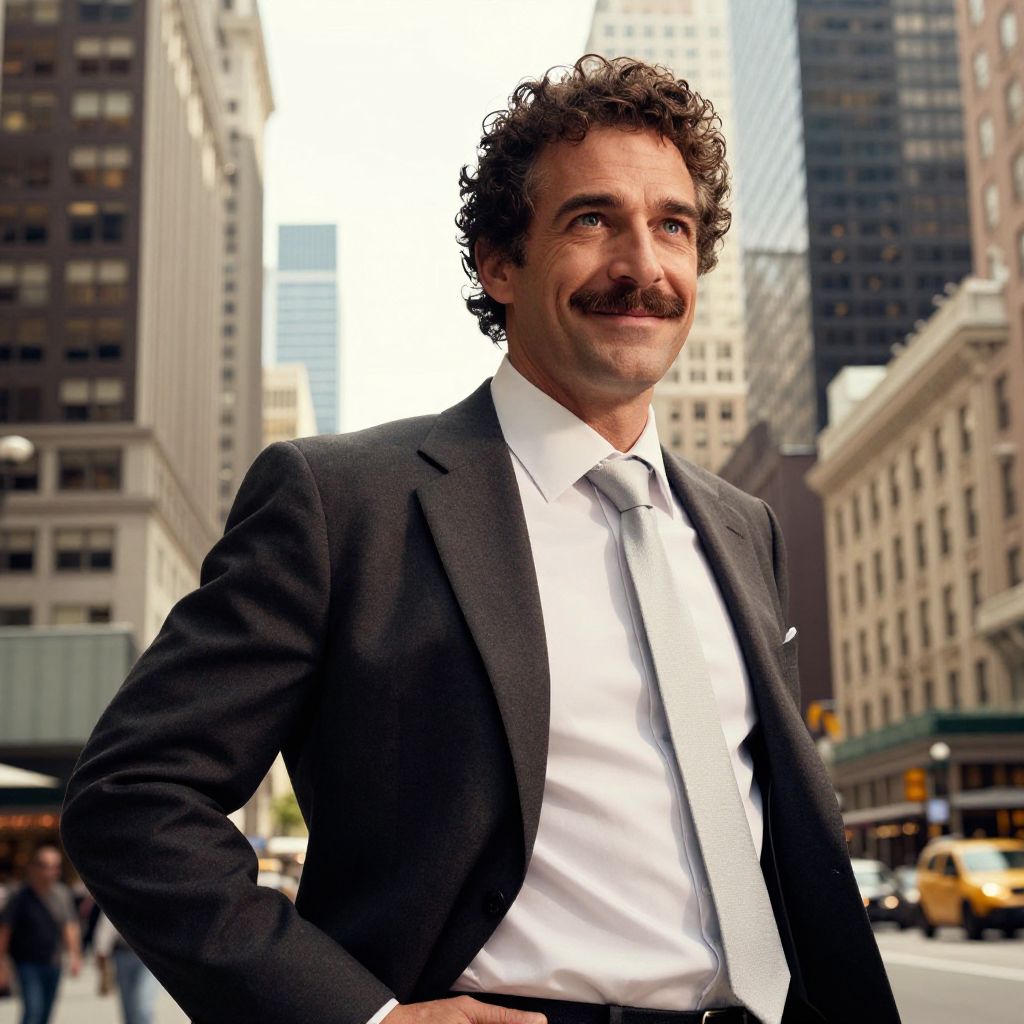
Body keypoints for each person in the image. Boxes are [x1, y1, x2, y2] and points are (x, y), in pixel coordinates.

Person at [60, 56, 901, 1024]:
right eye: (593, 220)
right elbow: (133, 797)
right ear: (500, 263)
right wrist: (360, 1019)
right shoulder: (341, 502)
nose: (644, 266)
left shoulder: (740, 524)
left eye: (672, 225)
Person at [0, 844, 82, 1024]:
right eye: (44, 865)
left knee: (46, 1012)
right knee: (33, 1011)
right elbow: (5, 929)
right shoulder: (19, 896)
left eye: (54, 867)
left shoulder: (62, 894)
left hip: (53, 962)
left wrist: (75, 956)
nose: (49, 871)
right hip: (27, 963)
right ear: (33, 867)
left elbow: (69, 926)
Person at [94, 910, 160, 1024]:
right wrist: (102, 950)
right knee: (128, 1007)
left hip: (148, 958)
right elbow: (107, 922)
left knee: (143, 1006)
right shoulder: (120, 895)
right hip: (123, 954)